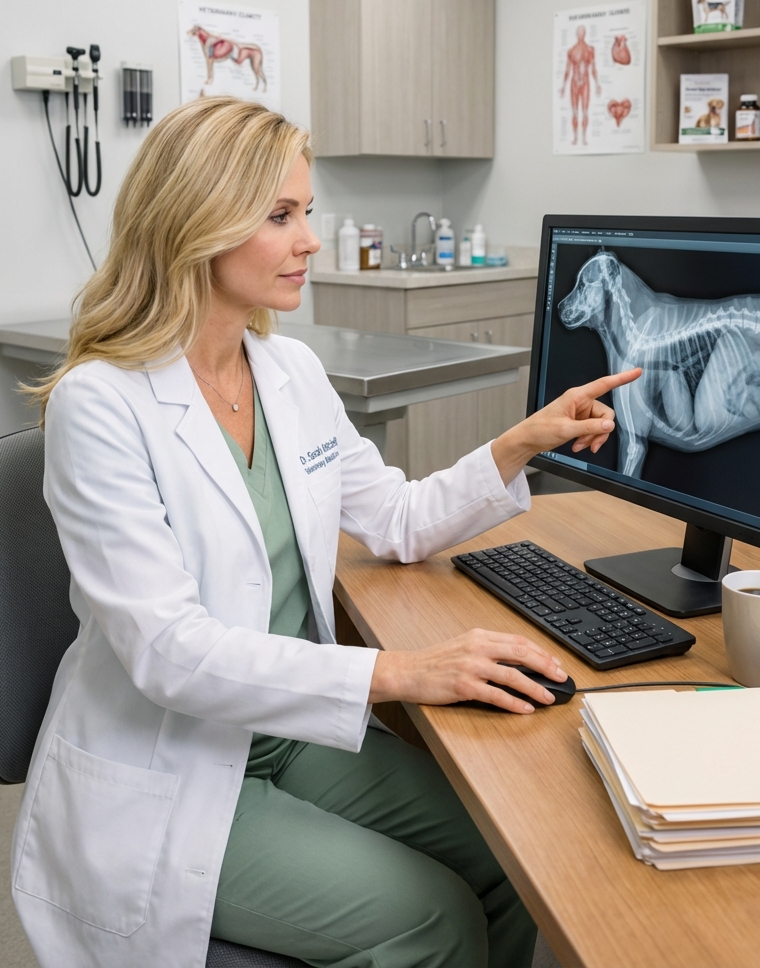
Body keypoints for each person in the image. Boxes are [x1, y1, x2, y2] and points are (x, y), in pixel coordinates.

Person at [13, 97, 640, 968]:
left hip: (284, 731)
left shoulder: (289, 371)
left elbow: (395, 517)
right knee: (433, 920)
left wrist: (519, 443)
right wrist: (404, 671)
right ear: (197, 223)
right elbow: (167, 651)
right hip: (172, 756)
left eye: (306, 211)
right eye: (281, 216)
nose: (311, 238)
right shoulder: (101, 403)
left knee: (511, 851)